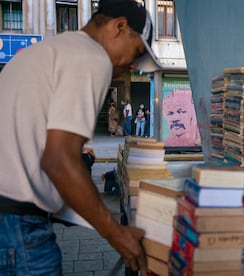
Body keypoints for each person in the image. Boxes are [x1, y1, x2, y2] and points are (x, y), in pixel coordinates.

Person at [0, 0, 159, 274]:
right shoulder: (91, 57)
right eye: (136, 52)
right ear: (119, 27)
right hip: (18, 226)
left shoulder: (45, 51)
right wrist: (116, 234)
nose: (133, 66)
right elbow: (59, 161)